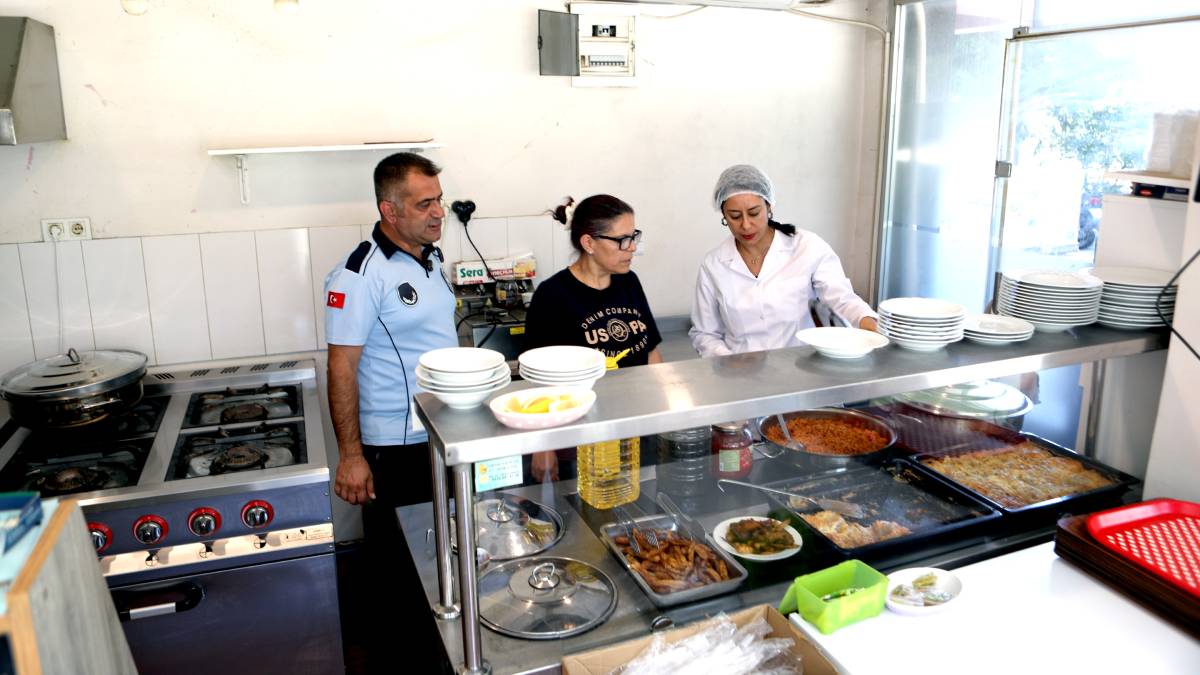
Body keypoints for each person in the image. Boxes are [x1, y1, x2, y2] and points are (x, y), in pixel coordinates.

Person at [323, 152, 455, 671]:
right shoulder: (358, 274)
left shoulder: (430, 258)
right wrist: (351, 456)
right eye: (425, 204)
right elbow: (341, 367)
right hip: (391, 447)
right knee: (400, 575)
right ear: (389, 209)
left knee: (438, 559)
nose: (438, 212)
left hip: (437, 434)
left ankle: (439, 656)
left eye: (439, 200)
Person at [523, 194, 664, 481]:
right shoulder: (553, 296)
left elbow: (651, 353)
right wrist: (542, 445)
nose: (632, 247)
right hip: (580, 439)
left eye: (634, 236)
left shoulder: (629, 283)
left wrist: (663, 416)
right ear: (589, 243)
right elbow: (537, 381)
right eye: (622, 239)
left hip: (633, 432)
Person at [690, 164, 878, 357]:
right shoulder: (714, 265)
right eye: (735, 216)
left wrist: (866, 321)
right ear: (723, 216)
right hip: (742, 378)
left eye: (754, 213)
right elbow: (704, 333)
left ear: (769, 206)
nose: (746, 225)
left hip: (802, 369)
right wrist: (728, 359)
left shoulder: (807, 247)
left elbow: (841, 298)